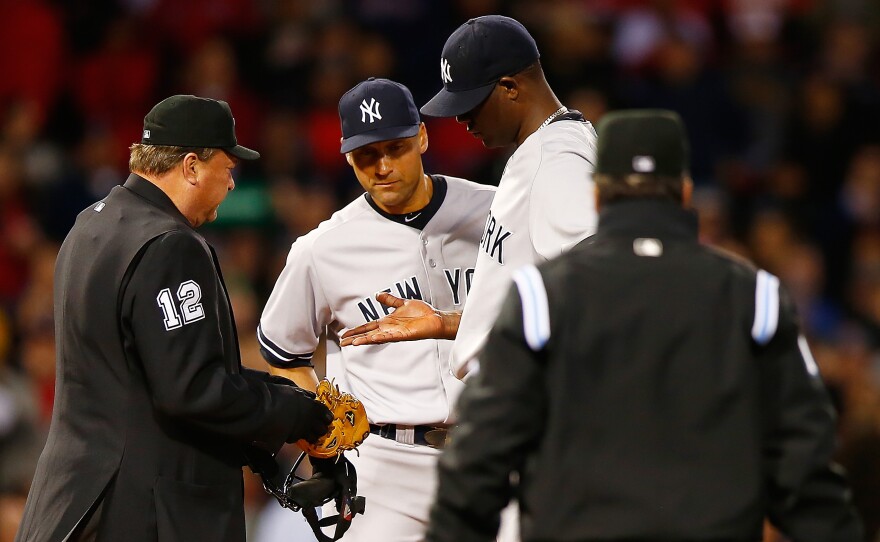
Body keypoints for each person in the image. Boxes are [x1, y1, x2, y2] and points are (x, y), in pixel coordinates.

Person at [424, 109, 864, 541]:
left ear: (597, 198)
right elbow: (806, 469)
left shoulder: (541, 298)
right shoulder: (755, 297)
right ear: (685, 193)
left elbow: (480, 459)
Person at [15, 95, 333, 542]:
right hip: (141, 512)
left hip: (73, 501)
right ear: (191, 167)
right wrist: (295, 414)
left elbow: (153, 370)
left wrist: (275, 392)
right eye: (228, 167)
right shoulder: (169, 244)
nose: (232, 183)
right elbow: (192, 388)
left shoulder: (90, 224)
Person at [256, 78, 495, 540]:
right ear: (348, 157)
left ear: (423, 137)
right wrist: (322, 432)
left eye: (396, 148)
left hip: (494, 449)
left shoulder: (494, 210)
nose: (383, 166)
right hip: (386, 466)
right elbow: (284, 356)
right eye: (367, 154)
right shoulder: (322, 249)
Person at [341, 15, 598, 381]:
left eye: (471, 101)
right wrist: (450, 322)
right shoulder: (547, 146)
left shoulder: (555, 160)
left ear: (510, 87)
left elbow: (605, 282)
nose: (460, 117)